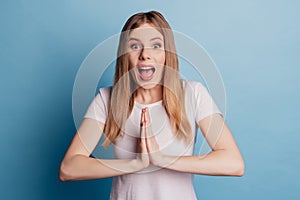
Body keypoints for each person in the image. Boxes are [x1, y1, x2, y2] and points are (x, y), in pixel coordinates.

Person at [59, 10, 244, 200]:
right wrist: (135, 164)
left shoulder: (193, 94)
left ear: (167, 53)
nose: (145, 54)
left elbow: (233, 163)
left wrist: (162, 160)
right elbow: (68, 168)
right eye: (134, 46)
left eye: (155, 45)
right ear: (125, 55)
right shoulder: (107, 99)